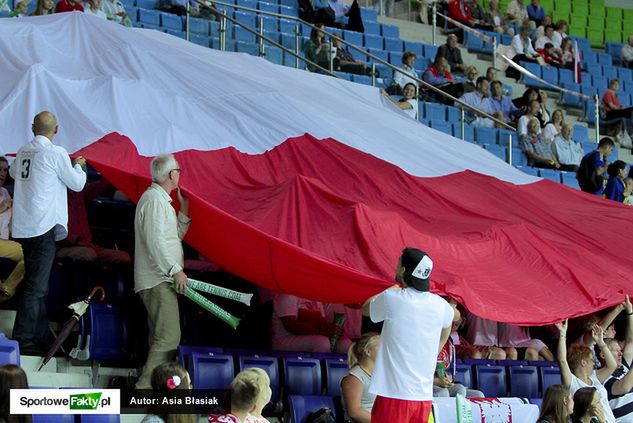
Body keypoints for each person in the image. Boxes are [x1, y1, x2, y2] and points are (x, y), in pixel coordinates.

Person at [10, 111, 87, 355]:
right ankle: (23, 338)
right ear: (57, 129)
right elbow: (77, 183)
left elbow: (13, 174)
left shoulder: (23, 150)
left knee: (38, 284)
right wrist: (79, 166)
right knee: (36, 286)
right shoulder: (56, 153)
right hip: (42, 226)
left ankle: (42, 336)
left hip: (23, 225)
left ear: (33, 127)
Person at [362, 247, 453, 422]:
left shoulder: (392, 298)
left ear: (403, 270)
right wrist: (436, 350)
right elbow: (450, 322)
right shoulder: (440, 305)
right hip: (423, 397)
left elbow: (366, 308)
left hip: (394, 394)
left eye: (398, 264)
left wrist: (393, 287)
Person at [134, 153, 191, 389]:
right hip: (158, 279)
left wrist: (184, 209)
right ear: (171, 174)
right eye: (178, 170)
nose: (180, 174)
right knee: (168, 338)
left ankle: (150, 392)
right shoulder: (155, 201)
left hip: (158, 278)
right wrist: (175, 270)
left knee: (161, 337)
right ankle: (143, 392)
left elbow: (170, 237)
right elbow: (156, 243)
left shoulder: (158, 200)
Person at [556, 319, 617, 423]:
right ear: (583, 362)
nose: (594, 363)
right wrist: (562, 335)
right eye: (591, 360)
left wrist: (601, 342)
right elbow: (562, 361)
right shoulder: (572, 382)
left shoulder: (594, 377)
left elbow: (612, 366)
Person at [434, 302, 484, 398]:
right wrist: (435, 380)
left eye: (456, 325)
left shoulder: (449, 343)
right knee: (446, 393)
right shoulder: (428, 339)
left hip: (441, 383)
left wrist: (446, 378)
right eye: (451, 323)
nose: (452, 327)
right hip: (428, 384)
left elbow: (443, 367)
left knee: (478, 395)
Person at [271, 293, 351, 353]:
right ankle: (320, 374)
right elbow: (291, 326)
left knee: (346, 344)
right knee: (322, 343)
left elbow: (321, 321)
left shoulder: (314, 296)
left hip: (312, 336)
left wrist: (333, 330)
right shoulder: (287, 294)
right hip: (285, 339)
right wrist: (320, 329)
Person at [602, 296, 633, 421]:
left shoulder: (624, 366)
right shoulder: (603, 377)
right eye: (616, 351)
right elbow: (624, 387)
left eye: (620, 351)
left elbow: (630, 341)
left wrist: (630, 312)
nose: (621, 354)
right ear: (604, 354)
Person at [341, 332, 380, 423]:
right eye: (380, 346)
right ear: (367, 351)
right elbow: (354, 412)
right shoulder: (354, 378)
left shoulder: (380, 376)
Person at [0, 157, 24, 302]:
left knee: (29, 254)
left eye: (4, 170)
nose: (2, 173)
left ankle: (7, 289)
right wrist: (2, 207)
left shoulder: (5, 193)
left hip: (4, 242)